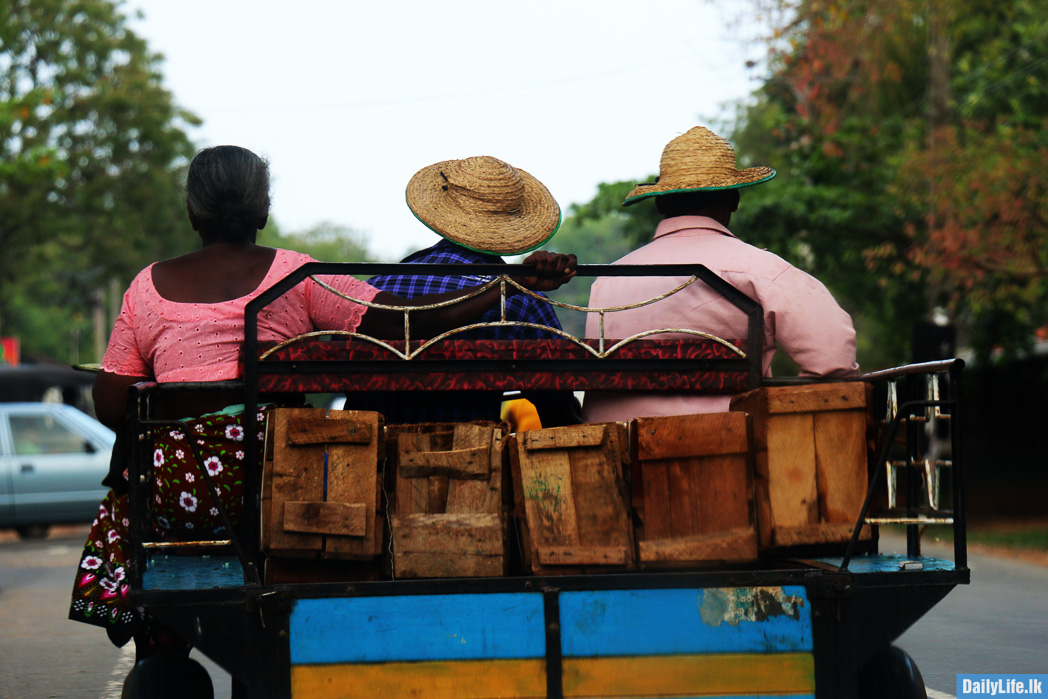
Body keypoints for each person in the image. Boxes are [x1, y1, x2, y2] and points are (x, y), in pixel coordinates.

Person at [68, 145, 576, 654]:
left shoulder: (145, 286)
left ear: (191, 212)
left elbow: (113, 406)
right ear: (263, 209)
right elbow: (408, 322)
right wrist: (506, 285)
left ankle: (156, 640)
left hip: (176, 489)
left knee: (131, 482)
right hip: (275, 487)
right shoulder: (298, 276)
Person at [583, 126, 858, 422]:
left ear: (660, 202)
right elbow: (834, 363)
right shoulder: (763, 271)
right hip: (730, 449)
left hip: (618, 451)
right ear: (734, 200)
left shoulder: (608, 280)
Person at [345, 155, 580, 426]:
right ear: (513, 226)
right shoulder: (522, 299)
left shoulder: (371, 289)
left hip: (368, 458)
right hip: (472, 457)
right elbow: (556, 404)